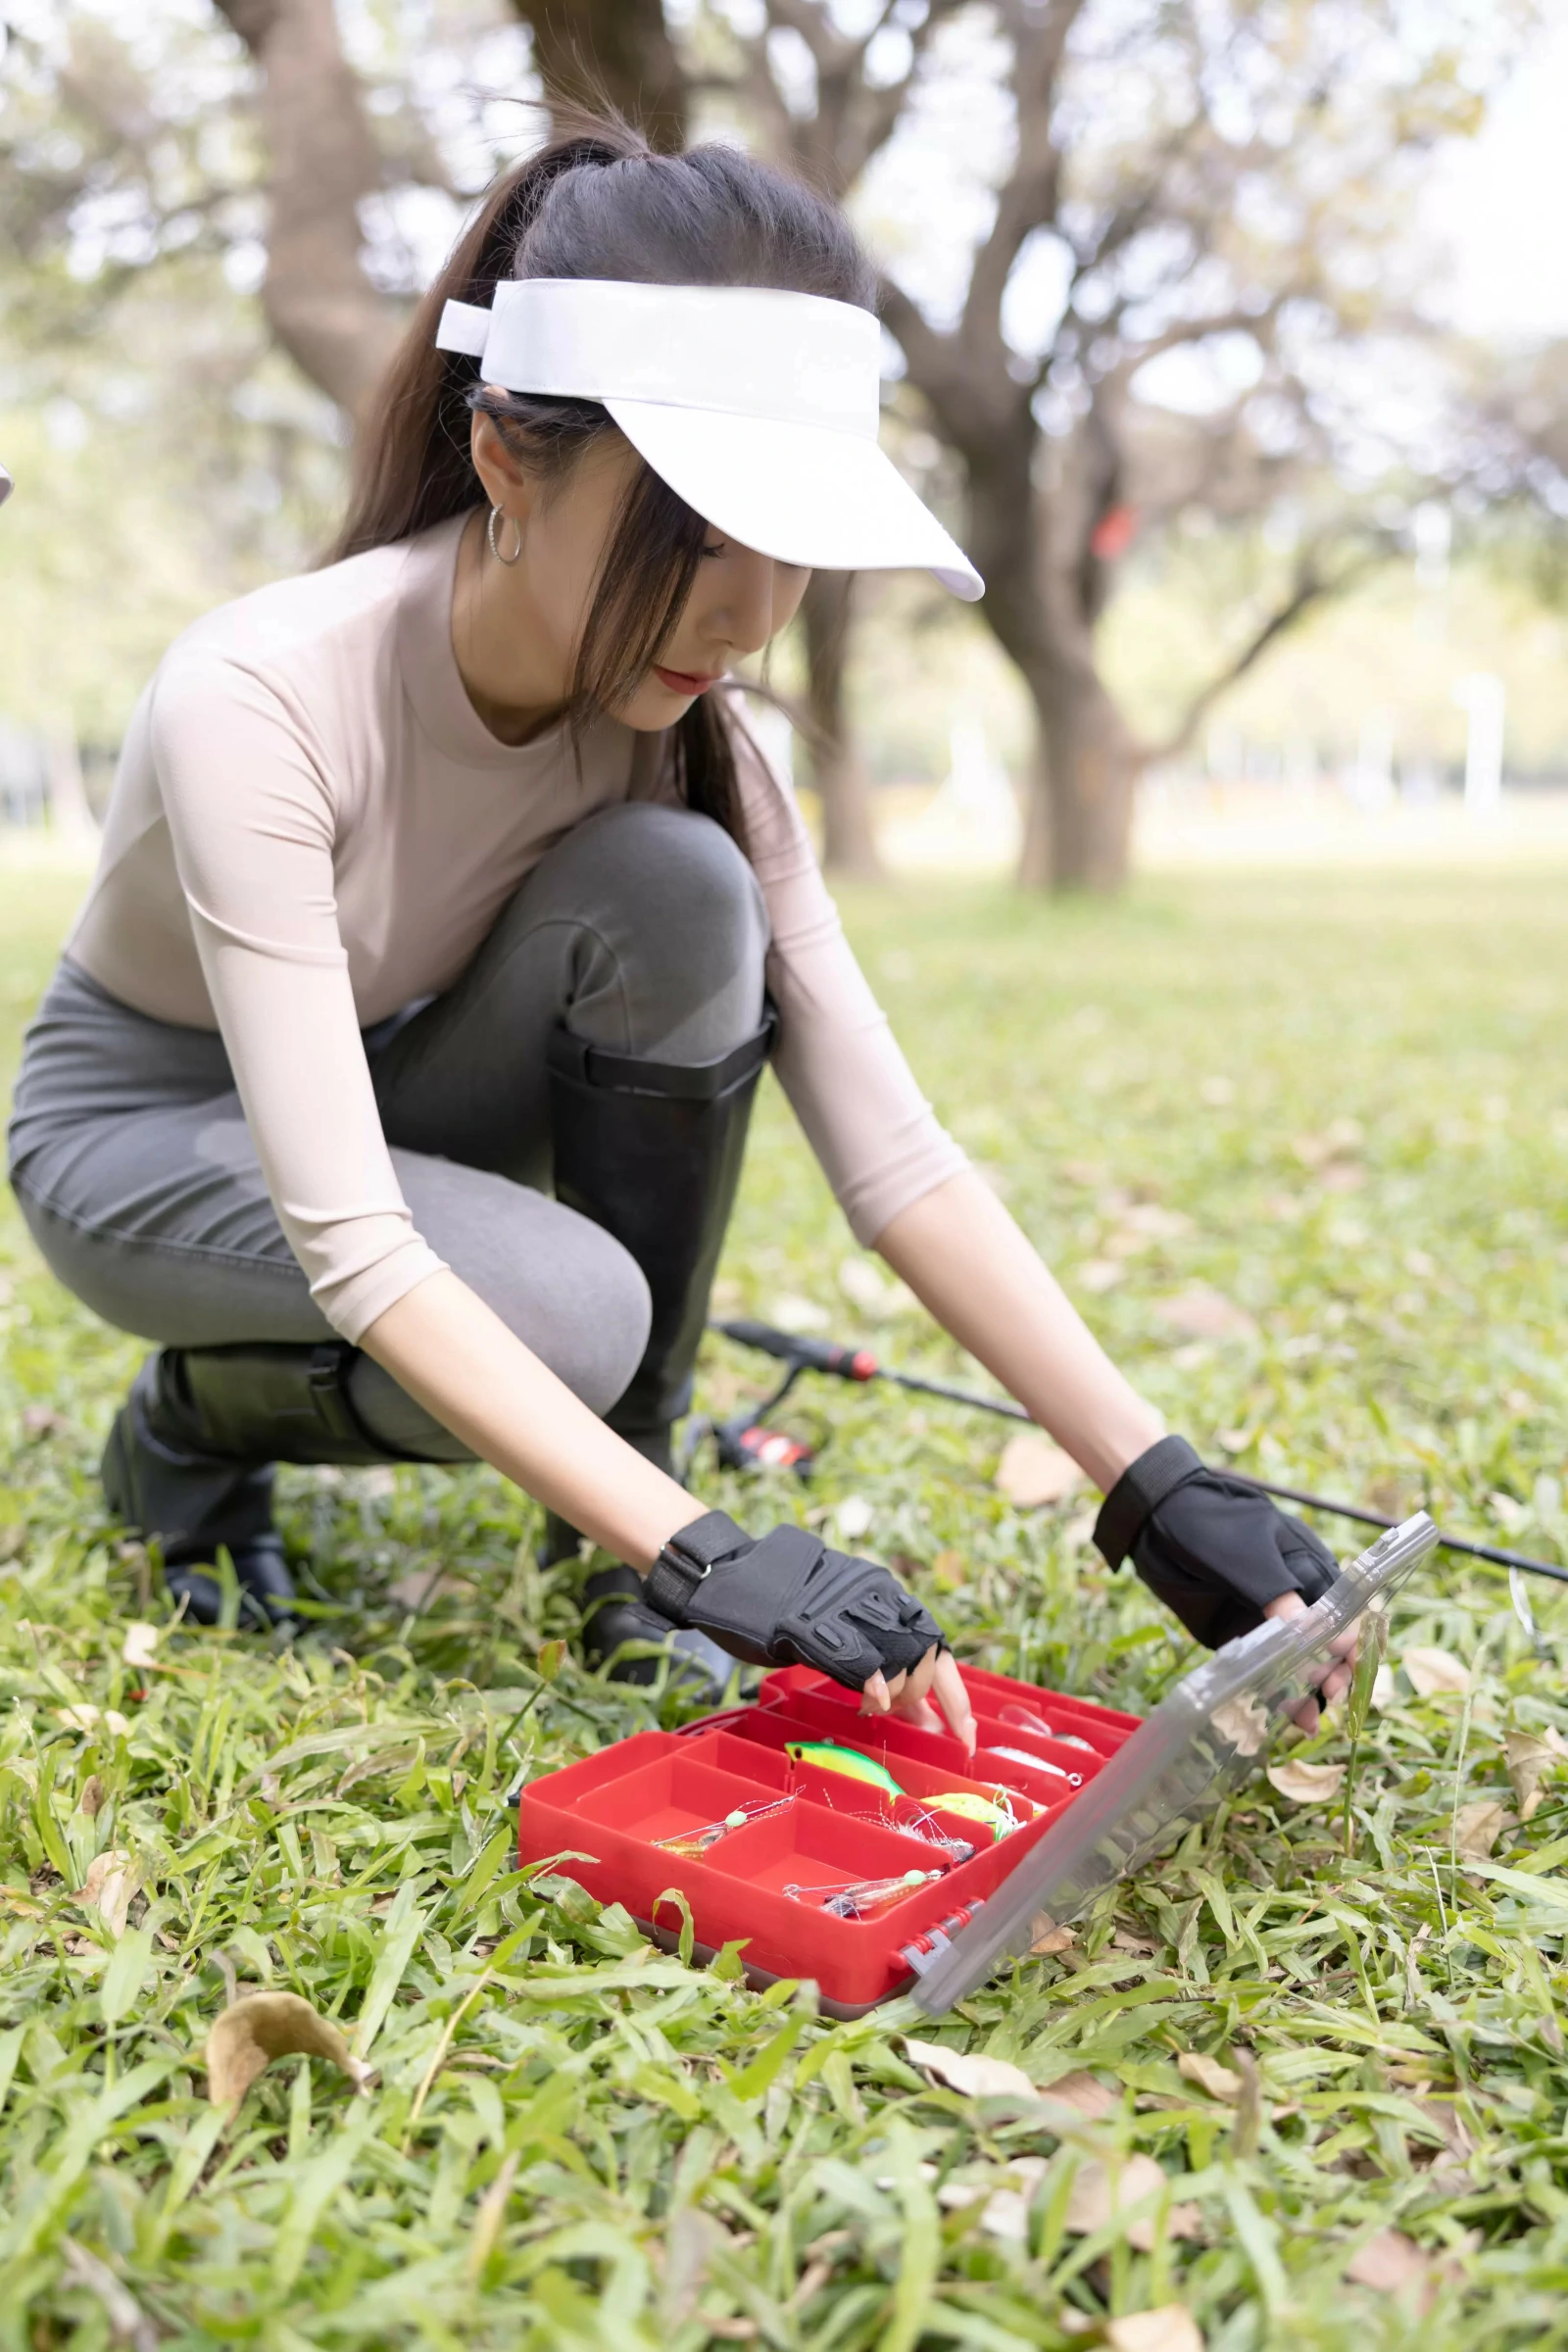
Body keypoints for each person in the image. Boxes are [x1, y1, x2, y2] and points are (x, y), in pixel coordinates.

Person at [6, 120, 1350, 1743]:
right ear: (509, 460)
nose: (752, 609)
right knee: (569, 1314)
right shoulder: (261, 692)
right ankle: (186, 1428)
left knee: (681, 880)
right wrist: (707, 1549)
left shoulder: (691, 729)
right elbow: (355, 1241)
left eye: (793, 543)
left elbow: (896, 1157)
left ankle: (608, 1549)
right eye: (703, 529)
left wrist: (1159, 1483)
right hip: (150, 1131)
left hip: (406, 1085)